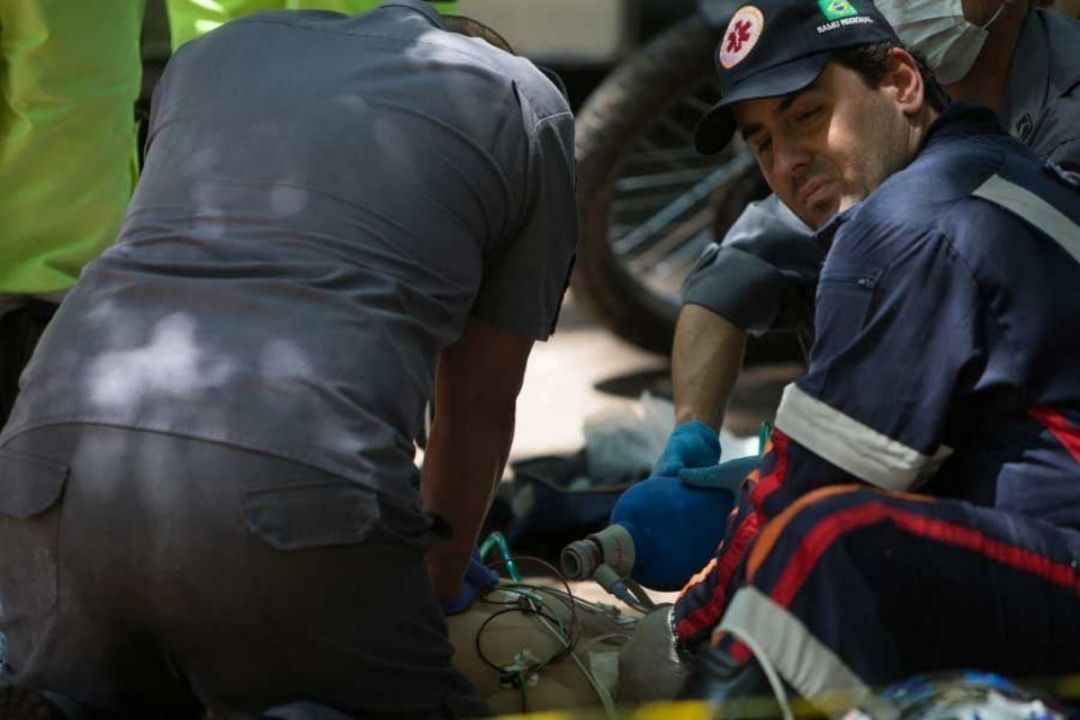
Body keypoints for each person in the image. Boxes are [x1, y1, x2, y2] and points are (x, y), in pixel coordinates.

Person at [0, 1, 576, 716]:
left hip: (44, 461)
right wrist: (426, 583)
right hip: (297, 484)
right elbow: (480, 406)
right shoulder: (526, 105)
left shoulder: (211, 59)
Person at [649, 0, 1080, 709]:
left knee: (828, 540)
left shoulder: (908, 223)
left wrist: (688, 631)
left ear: (904, 82)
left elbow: (814, 479)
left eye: (805, 115)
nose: (786, 162)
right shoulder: (991, 170)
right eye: (761, 142)